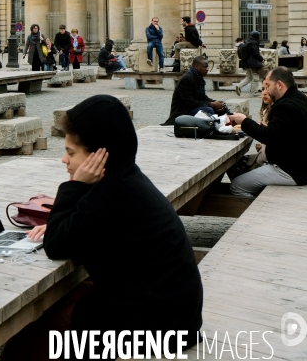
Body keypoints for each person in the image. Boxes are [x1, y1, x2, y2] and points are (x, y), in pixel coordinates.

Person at [25, 95, 203, 358]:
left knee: (36, 334)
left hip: (158, 329)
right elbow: (72, 231)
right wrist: (60, 222)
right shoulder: (125, 177)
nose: (64, 160)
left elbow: (57, 245)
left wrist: (74, 187)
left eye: (70, 152)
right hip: (175, 316)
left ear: (98, 156)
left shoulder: (111, 194)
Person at [229, 67, 307, 197]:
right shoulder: (300, 98)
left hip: (291, 170)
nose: (267, 90)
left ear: (279, 85)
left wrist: (244, 121)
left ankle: (255, 214)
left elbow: (269, 137)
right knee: (239, 168)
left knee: (237, 185)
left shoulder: (285, 106)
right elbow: (285, 133)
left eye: (268, 86)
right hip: (300, 166)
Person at [227, 80, 272, 180]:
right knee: (230, 163)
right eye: (262, 89)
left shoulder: (276, 111)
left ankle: (244, 190)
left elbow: (273, 138)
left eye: (268, 89)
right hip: (263, 157)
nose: (264, 93)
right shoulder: (266, 110)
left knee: (230, 164)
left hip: (267, 163)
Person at [162, 56, 225, 125]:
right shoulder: (186, 79)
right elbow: (189, 102)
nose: (207, 69)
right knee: (208, 110)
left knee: (221, 106)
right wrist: (212, 104)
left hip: (192, 108)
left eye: (207, 67)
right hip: (183, 112)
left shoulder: (198, 78)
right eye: (205, 67)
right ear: (196, 67)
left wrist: (216, 102)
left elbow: (203, 98)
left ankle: (227, 121)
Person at [235, 30, 265, 97]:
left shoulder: (247, 42)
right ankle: (254, 93)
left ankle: (239, 86)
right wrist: (261, 59)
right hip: (253, 63)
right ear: (257, 36)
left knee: (249, 77)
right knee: (255, 78)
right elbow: (255, 53)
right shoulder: (254, 43)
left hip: (246, 62)